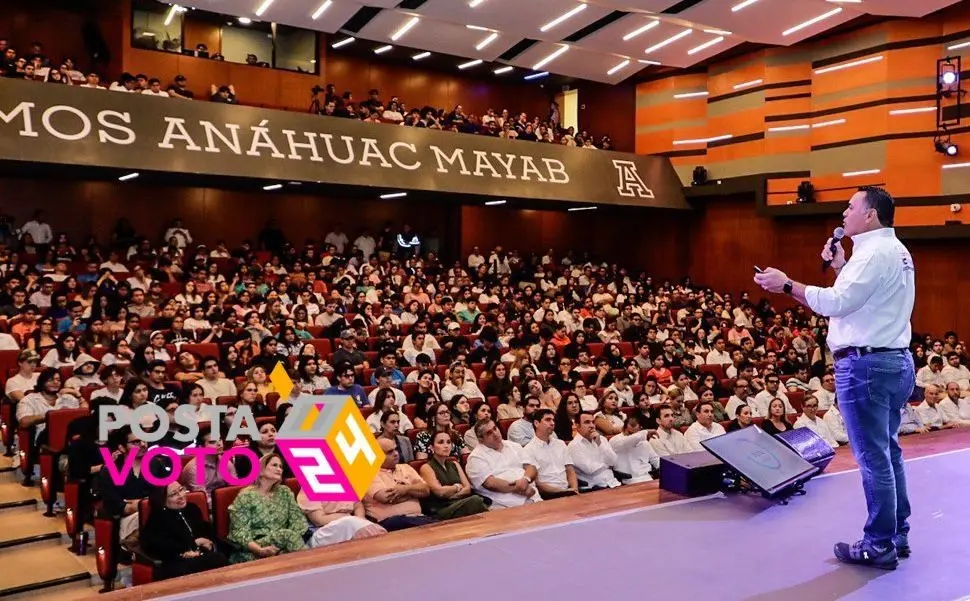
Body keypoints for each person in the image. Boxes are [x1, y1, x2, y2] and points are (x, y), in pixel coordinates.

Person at [754, 186, 915, 569]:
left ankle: (879, 544)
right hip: (895, 361)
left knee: (874, 457)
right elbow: (866, 300)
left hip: (866, 368)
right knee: (888, 451)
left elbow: (836, 304)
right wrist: (843, 267)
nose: (844, 213)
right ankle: (897, 532)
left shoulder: (873, 253)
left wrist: (787, 285)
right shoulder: (896, 251)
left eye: (850, 206)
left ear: (870, 215)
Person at [227, 454, 308, 563]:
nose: (279, 469)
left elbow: (298, 521)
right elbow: (238, 533)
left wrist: (283, 544)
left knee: (287, 538)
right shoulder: (246, 496)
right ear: (260, 469)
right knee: (287, 538)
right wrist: (259, 550)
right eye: (274, 465)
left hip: (284, 544)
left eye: (281, 466)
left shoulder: (285, 492)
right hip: (253, 548)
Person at [140, 482, 228, 580]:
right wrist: (189, 547)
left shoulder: (192, 509)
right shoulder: (158, 518)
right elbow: (158, 547)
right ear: (162, 500)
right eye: (174, 494)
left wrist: (208, 545)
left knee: (221, 556)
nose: (181, 496)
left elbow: (207, 534)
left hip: (201, 555)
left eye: (181, 490)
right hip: (175, 561)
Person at [418, 431, 489, 519]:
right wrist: (457, 487)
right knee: (476, 501)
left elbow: (467, 488)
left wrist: (451, 495)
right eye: (441, 442)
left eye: (449, 442)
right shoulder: (426, 467)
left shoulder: (455, 463)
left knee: (476, 501)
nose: (446, 445)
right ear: (432, 447)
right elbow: (440, 492)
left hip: (459, 503)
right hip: (441, 509)